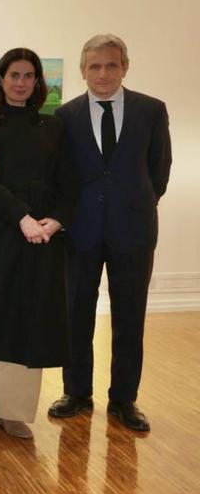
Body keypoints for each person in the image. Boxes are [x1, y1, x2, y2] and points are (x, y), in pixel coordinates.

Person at [47, 34, 171, 432]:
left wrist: (134, 204)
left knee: (130, 317)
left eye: (111, 65)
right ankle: (77, 392)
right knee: (75, 314)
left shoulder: (150, 111)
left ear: (125, 67)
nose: (103, 73)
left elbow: (159, 171)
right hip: (80, 232)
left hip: (133, 231)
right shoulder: (64, 117)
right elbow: (60, 178)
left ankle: (124, 399)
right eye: (95, 66)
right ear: (83, 70)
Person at [0, 47, 76, 439]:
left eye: (29, 76)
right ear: (0, 80)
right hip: (2, 234)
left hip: (44, 237)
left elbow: (69, 182)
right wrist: (21, 218)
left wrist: (54, 221)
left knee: (32, 321)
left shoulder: (53, 127)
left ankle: (11, 411)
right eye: (14, 75)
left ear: (37, 83)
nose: (21, 82)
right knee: (1, 318)